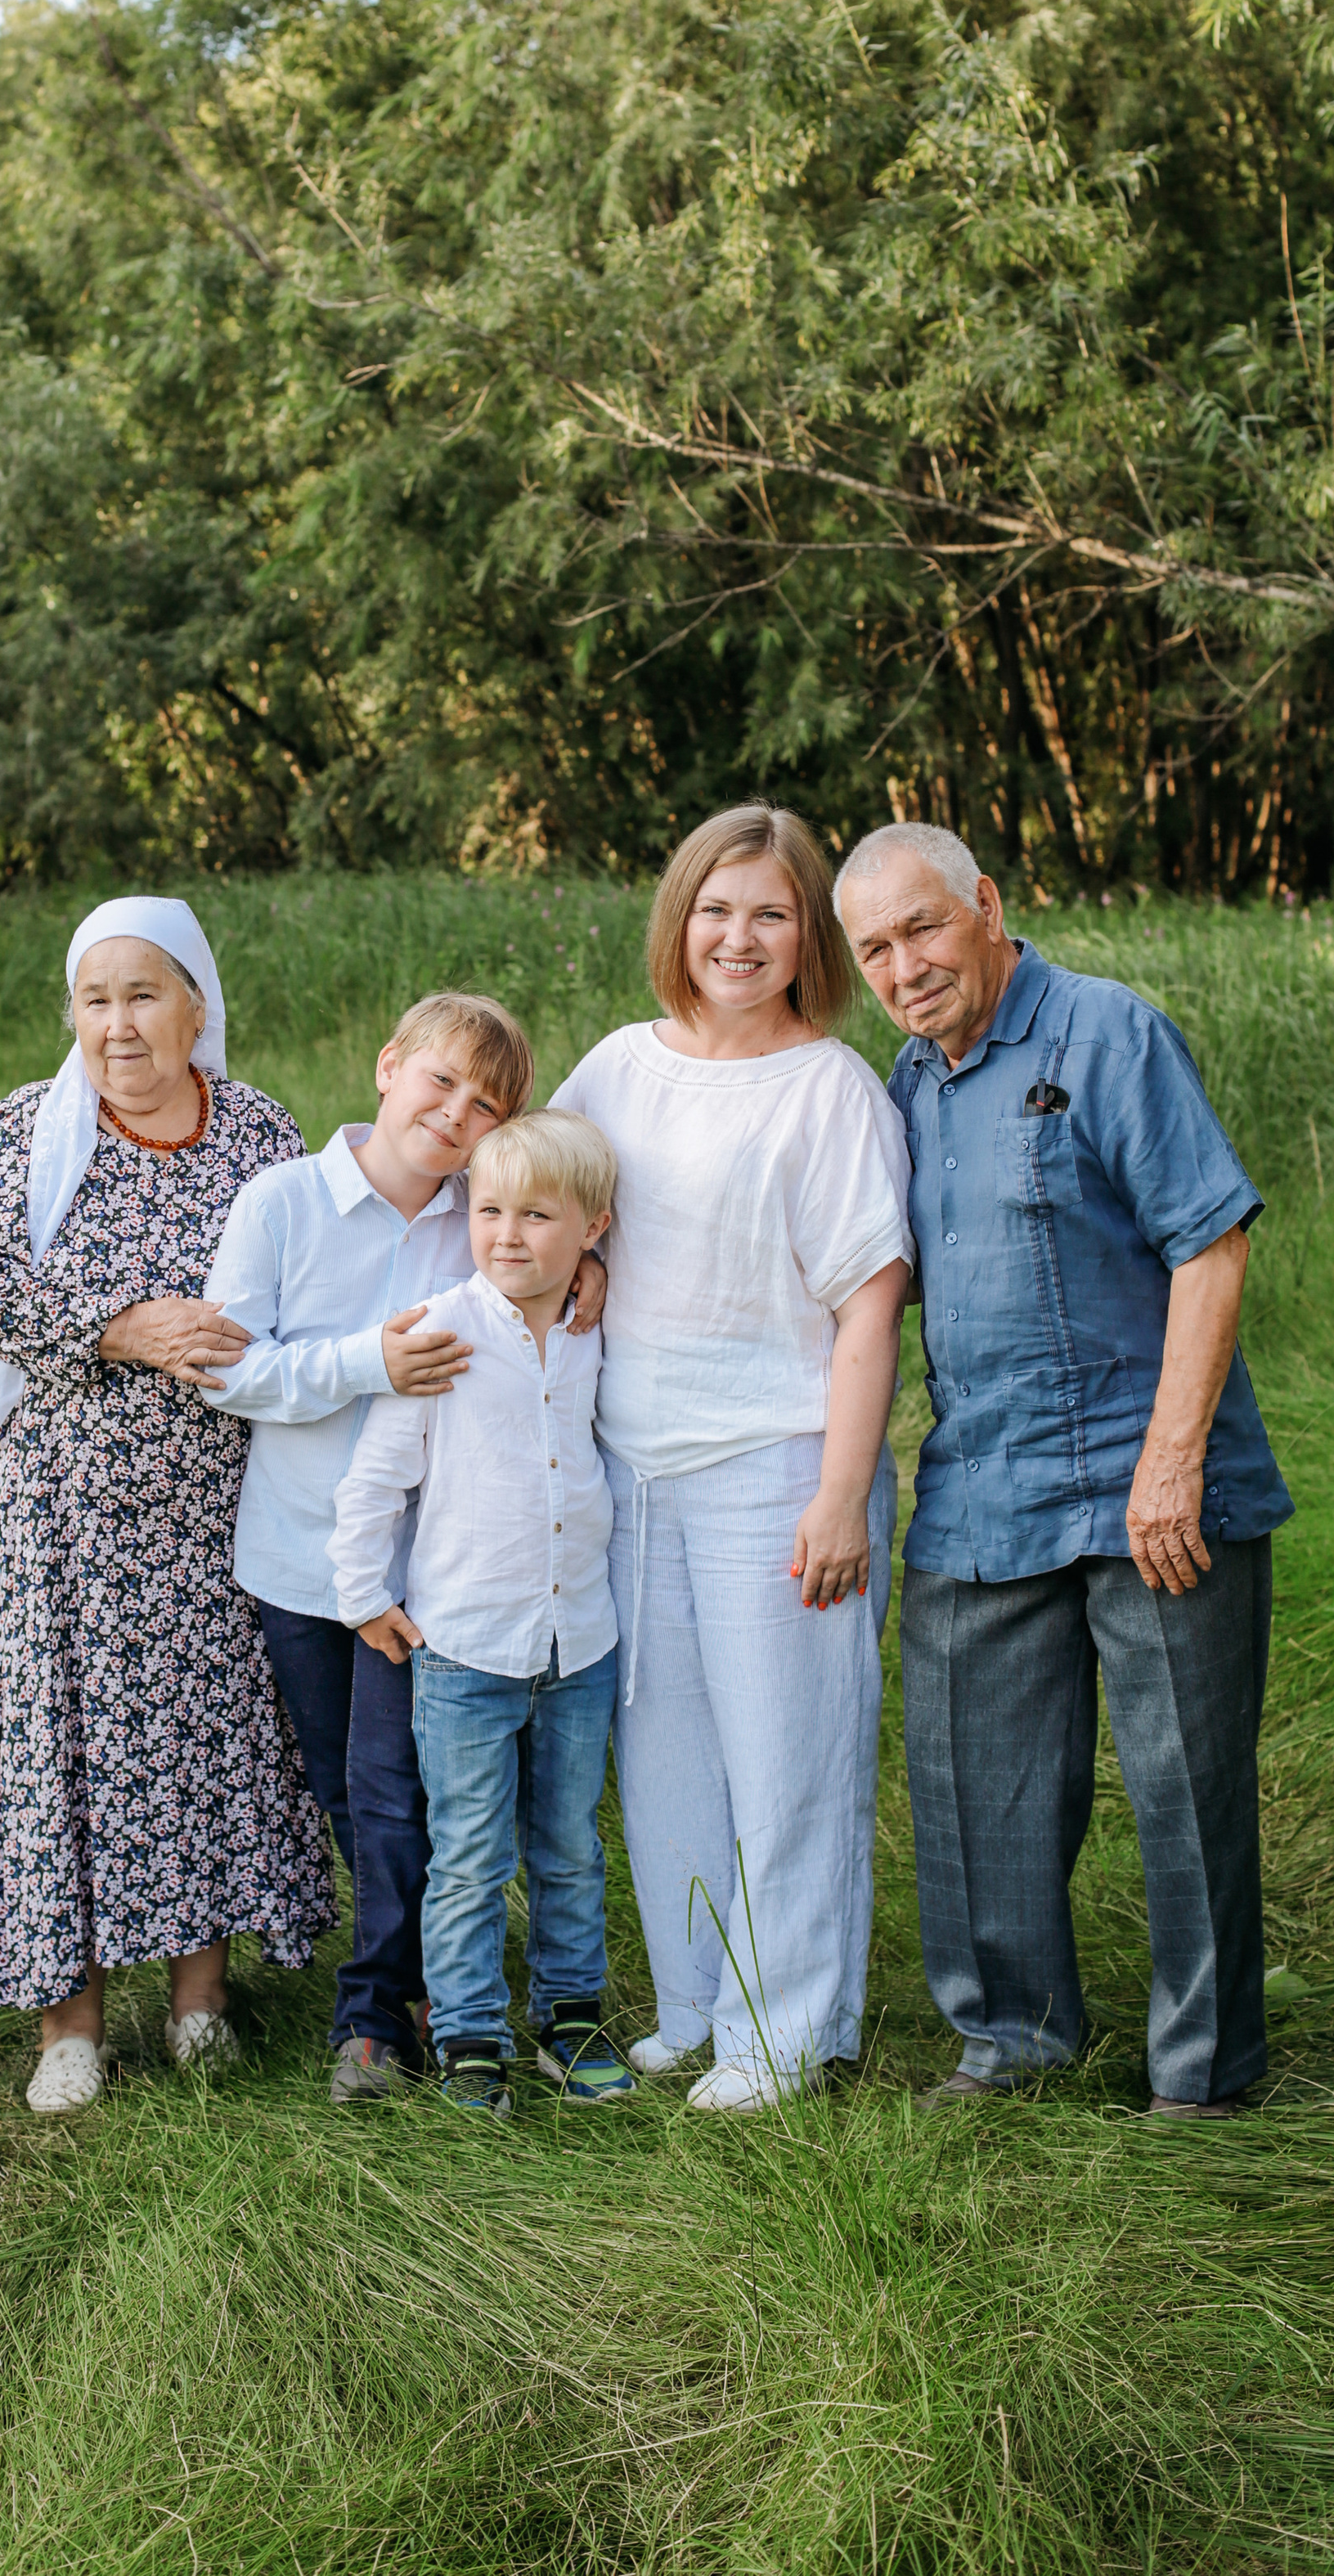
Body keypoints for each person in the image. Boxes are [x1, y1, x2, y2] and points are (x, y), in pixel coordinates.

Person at [833, 824, 1292, 2118]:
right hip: (985, 1489)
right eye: (875, 949)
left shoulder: (1108, 1035)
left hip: (1155, 1491)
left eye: (922, 928)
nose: (904, 966)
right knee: (974, 1788)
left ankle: (1204, 2078)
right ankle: (1014, 2044)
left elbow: (1210, 1247)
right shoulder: (912, 1083)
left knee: (1185, 1795)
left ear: (985, 904)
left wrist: (1171, 1464)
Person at [0, 896, 336, 2117]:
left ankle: (202, 2000)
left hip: (219, 1498)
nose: (118, 1024)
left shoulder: (262, 1132)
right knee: (70, 1740)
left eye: (144, 995)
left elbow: (332, 1270)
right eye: (96, 999)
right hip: (57, 1507)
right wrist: (116, 1329)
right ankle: (71, 2024)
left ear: (196, 1008)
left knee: (208, 1730)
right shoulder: (27, 1131)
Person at [554, 804, 914, 2112]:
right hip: (633, 1465)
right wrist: (585, 1261)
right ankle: (697, 2003)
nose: (739, 936)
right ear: (679, 920)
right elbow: (554, 1204)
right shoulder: (615, 1069)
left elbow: (869, 1310)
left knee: (789, 1756)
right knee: (664, 1761)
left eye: (771, 912)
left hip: (778, 1462)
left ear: (808, 931)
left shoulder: (833, 1092)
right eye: (717, 908)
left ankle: (787, 2028)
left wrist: (838, 1495)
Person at [200, 991, 564, 2104]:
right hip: (302, 1557)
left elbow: (546, 1270)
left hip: (426, 1563)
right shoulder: (283, 1203)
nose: (454, 1114)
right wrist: (368, 1364)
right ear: (387, 1067)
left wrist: (576, 1278)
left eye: (485, 1105)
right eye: (439, 1082)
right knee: (346, 1791)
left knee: (399, 1782)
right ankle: (421, 1981)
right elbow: (224, 1371)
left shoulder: (480, 1216)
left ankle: (372, 2014)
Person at [330, 1110, 631, 2117]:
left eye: (536, 1216)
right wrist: (364, 1595)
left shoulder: (597, 1328)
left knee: (570, 1844)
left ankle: (570, 2013)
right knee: (468, 1852)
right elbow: (375, 1482)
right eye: (487, 1209)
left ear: (592, 1229)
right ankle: (467, 2032)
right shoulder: (441, 1331)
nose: (506, 1234)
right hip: (464, 1648)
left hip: (576, 1639)